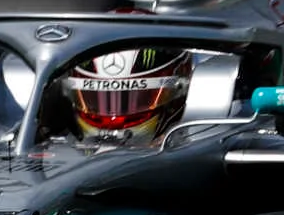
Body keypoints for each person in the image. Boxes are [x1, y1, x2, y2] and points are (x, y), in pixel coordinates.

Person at [59, 46, 194, 147]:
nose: (113, 120)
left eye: (140, 99)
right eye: (95, 100)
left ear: (179, 92)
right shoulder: (56, 150)